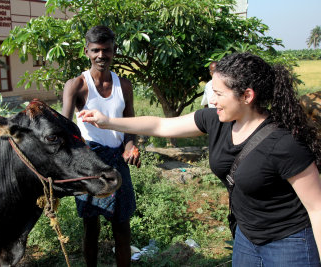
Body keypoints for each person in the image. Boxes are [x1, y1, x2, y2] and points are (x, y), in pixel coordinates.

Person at [79, 52, 321, 266]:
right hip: (246, 239)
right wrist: (107, 121)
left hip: (289, 243)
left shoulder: (284, 143)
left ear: (247, 96)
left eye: (218, 93)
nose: (211, 99)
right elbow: (161, 125)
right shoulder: (216, 120)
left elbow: (317, 207)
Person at [62, 25, 141, 267]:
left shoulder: (124, 86)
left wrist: (131, 146)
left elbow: (130, 125)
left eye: (106, 50)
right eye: (95, 50)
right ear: (86, 51)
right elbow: (65, 127)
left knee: (122, 227)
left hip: (117, 162)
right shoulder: (76, 85)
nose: (101, 56)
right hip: (89, 164)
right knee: (91, 226)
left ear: (114, 51)